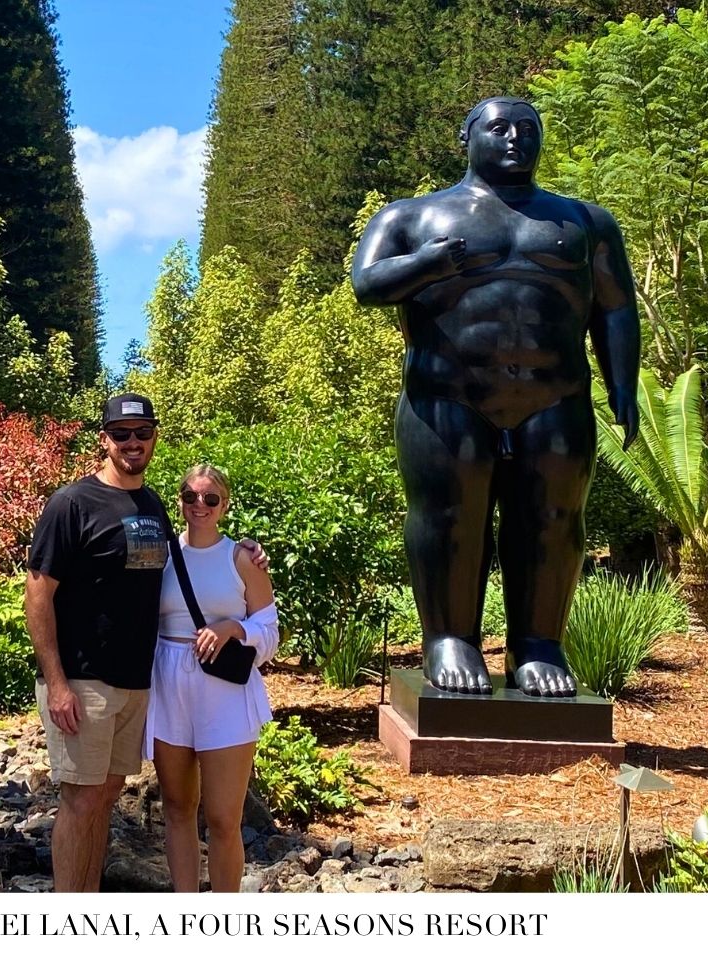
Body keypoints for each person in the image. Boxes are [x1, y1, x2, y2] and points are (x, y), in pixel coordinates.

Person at [350, 96, 640, 697]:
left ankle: (538, 646)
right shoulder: (413, 217)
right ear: (467, 137)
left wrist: (623, 386)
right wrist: (426, 265)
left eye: (528, 129)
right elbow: (366, 284)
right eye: (499, 128)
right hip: (447, 396)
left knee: (553, 521)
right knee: (451, 519)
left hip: (555, 396)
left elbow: (614, 309)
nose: (515, 138)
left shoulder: (584, 222)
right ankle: (449, 640)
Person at [24, 394, 264, 892]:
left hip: (139, 683)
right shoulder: (72, 504)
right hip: (83, 680)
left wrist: (246, 552)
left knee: (107, 794)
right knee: (81, 799)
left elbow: (193, 561)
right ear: (104, 439)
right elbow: (38, 593)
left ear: (154, 437)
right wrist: (57, 683)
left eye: (142, 432)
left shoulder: (152, 506)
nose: (133, 442)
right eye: (122, 433)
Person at [148, 464, 278, 893]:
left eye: (210, 498)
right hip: (169, 682)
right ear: (180, 501)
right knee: (178, 807)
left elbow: (270, 631)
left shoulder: (241, 558)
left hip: (222, 689)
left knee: (224, 817)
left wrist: (232, 629)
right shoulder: (162, 554)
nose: (199, 506)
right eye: (190, 497)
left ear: (224, 504)